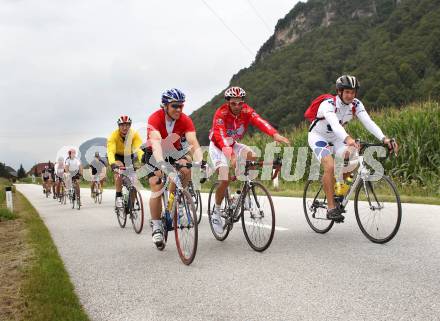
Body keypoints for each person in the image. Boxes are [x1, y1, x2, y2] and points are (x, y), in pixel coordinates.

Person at [307, 75, 398, 222]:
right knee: (329, 166)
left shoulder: (356, 104)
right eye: (347, 92)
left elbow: (368, 122)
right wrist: (348, 139)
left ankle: (339, 189)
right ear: (339, 91)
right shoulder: (328, 104)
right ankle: (331, 208)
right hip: (319, 137)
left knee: (352, 157)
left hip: (337, 138)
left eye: (353, 92)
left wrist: (384, 138)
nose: (350, 95)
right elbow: (335, 125)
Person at [208, 86, 290, 234]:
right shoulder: (221, 113)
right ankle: (216, 211)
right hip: (218, 146)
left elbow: (260, 121)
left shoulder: (246, 111)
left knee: (251, 156)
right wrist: (231, 155)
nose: (237, 106)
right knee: (225, 179)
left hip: (232, 143)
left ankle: (243, 192)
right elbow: (220, 136)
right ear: (228, 102)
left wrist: (274, 134)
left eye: (240, 103)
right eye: (234, 103)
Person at [144, 88, 203, 249]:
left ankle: (177, 200)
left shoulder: (185, 120)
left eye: (181, 106)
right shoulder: (155, 118)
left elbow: (192, 141)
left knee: (185, 169)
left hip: (173, 151)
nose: (178, 109)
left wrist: (201, 161)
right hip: (153, 153)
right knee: (156, 186)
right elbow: (155, 141)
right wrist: (161, 163)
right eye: (175, 106)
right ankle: (156, 226)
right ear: (165, 106)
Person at [107, 115, 144, 209]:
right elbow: (111, 151)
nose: (124, 127)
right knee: (118, 171)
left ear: (130, 126)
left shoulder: (134, 135)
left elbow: (138, 149)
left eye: (127, 125)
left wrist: (143, 159)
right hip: (117, 156)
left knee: (134, 180)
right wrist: (112, 163)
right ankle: (119, 196)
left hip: (128, 156)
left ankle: (132, 203)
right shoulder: (113, 135)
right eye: (122, 125)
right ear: (118, 126)